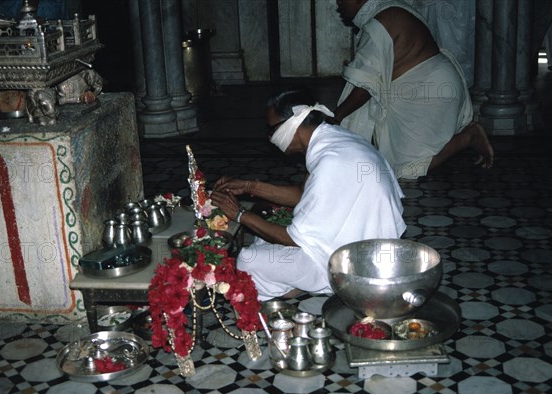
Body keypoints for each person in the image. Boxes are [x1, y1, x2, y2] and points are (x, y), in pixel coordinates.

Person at [210, 89, 407, 301]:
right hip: (359, 241)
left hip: (355, 264)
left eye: (272, 130)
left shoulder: (330, 161)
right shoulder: (334, 139)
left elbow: (292, 238)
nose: (270, 137)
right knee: (263, 239)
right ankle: (301, 284)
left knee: (248, 260)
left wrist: (240, 214)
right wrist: (250, 186)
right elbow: (302, 194)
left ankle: (325, 286)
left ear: (294, 123)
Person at [332, 0, 494, 180]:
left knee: (407, 168)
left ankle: (469, 137)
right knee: (390, 155)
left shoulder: (379, 23)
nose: (338, 3)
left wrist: (336, 116)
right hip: (437, 85)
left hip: (428, 93)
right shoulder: (392, 9)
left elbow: (365, 87)